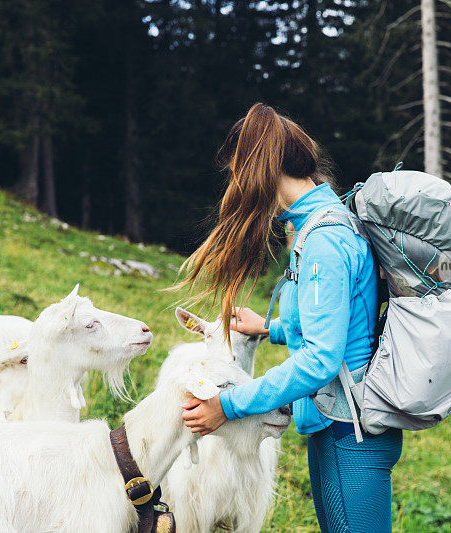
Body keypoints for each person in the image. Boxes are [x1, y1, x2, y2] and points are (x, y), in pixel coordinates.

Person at [177, 103, 402, 532]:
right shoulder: (327, 221)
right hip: (341, 424)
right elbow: (341, 322)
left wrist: (227, 405)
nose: (237, 186)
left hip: (347, 432)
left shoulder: (324, 240)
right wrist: (268, 328)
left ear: (258, 167)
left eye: (238, 173)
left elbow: (320, 358)